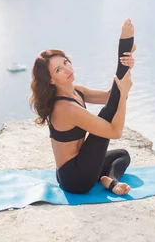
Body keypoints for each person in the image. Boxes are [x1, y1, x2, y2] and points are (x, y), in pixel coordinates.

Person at [29, 18, 136, 195]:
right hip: (76, 180)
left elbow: (111, 97)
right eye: (58, 70)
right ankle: (123, 50)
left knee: (122, 155)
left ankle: (109, 180)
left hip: (75, 168)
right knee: (104, 117)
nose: (67, 69)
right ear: (51, 80)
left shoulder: (76, 91)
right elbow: (115, 130)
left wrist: (128, 67)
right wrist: (123, 89)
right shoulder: (66, 108)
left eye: (65, 62)